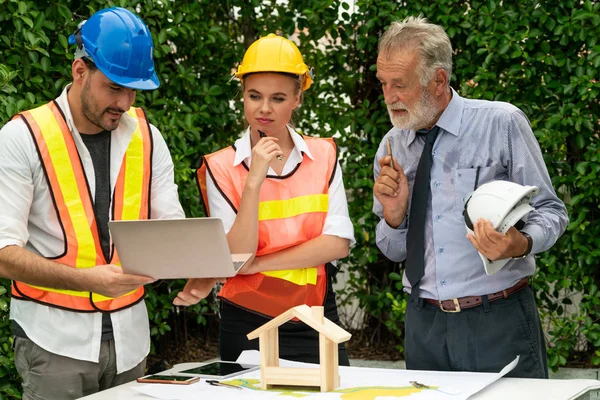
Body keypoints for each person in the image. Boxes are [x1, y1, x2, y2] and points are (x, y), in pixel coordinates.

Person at [0, 7, 185, 399]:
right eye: (114, 87)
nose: (125, 101)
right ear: (79, 70)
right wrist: (85, 280)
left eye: (133, 90)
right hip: (53, 344)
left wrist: (197, 268)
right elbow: (2, 253)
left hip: (131, 341)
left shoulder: (148, 138)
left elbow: (171, 230)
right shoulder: (21, 138)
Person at [372, 16, 568, 378]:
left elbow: (552, 212)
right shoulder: (391, 145)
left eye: (400, 85)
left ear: (439, 80)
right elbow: (394, 250)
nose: (389, 97)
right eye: (383, 83)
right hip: (423, 324)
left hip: (498, 319)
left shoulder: (501, 123)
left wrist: (520, 243)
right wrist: (393, 217)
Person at [173, 33, 355, 365]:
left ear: (298, 97)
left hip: (315, 317)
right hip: (246, 321)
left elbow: (338, 244)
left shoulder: (324, 154)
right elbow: (236, 259)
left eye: (279, 98)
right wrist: (253, 181)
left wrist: (258, 264)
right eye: (254, 96)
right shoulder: (219, 167)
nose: (264, 109)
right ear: (242, 95)